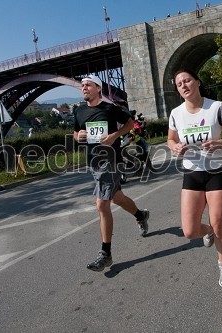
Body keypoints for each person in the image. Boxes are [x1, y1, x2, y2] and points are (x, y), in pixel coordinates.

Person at [167, 69, 222, 287]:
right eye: (179, 83)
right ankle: (208, 231)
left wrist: (220, 143)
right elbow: (170, 140)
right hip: (192, 172)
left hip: (217, 171)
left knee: (220, 225)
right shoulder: (176, 113)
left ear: (197, 82)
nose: (183, 85)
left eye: (187, 80)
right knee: (190, 231)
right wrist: (176, 147)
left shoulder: (216, 107)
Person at [73, 74, 150, 272]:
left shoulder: (110, 108)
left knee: (102, 204)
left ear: (98, 88)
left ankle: (105, 253)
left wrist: (115, 135)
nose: (84, 88)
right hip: (94, 163)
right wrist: (78, 136)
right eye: (82, 85)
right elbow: (76, 133)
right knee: (117, 198)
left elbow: (130, 124)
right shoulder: (79, 111)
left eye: (88, 85)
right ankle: (140, 215)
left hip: (111, 160)